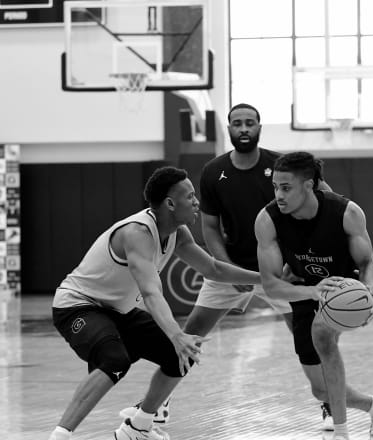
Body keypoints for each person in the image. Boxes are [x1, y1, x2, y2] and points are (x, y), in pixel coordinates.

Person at [119, 103, 337, 430]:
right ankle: (156, 406)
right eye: (237, 123)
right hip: (231, 267)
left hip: (281, 271)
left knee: (306, 340)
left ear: (260, 127)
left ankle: (330, 407)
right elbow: (209, 228)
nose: (244, 128)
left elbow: (326, 198)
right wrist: (226, 267)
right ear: (230, 129)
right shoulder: (212, 172)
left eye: (250, 123)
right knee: (189, 335)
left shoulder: (280, 166)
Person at [47, 166, 263, 440]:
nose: (197, 202)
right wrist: (175, 334)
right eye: (190, 196)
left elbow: (214, 270)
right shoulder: (137, 233)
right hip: (77, 306)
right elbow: (151, 293)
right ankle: (60, 435)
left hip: (116, 311)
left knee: (182, 356)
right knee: (115, 359)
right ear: (170, 203)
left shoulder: (178, 232)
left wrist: (267, 279)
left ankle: (138, 426)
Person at [254, 151, 373, 440]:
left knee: (322, 337)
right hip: (302, 288)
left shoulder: (347, 213)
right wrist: (311, 291)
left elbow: (368, 264)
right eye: (275, 188)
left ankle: (341, 434)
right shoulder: (268, 219)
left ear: (308, 185)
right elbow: (270, 285)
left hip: (344, 287)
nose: (278, 195)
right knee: (320, 390)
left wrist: (368, 294)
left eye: (286, 188)